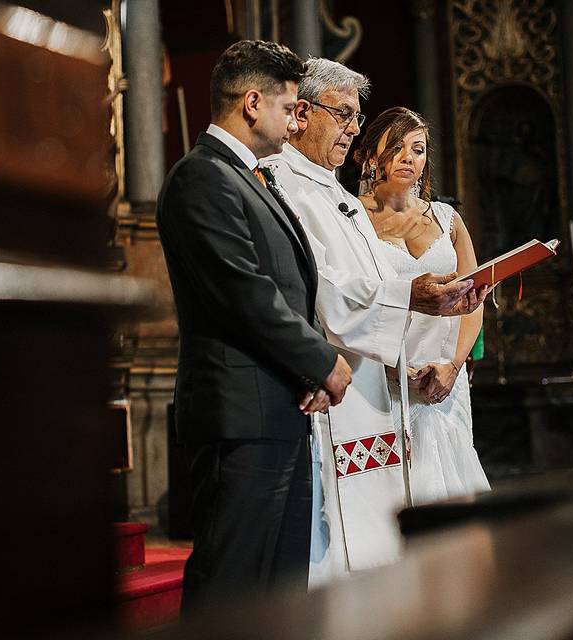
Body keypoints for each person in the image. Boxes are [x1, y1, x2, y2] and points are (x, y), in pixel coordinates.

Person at [264, 59, 487, 586]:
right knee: (353, 538)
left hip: (404, 382)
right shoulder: (285, 184)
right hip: (355, 381)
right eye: (343, 115)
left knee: (411, 527)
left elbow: (468, 296)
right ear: (300, 113)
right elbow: (326, 289)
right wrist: (409, 298)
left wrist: (450, 360)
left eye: (356, 116)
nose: (352, 127)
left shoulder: (334, 195)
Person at [156, 41, 353, 611]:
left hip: (278, 407)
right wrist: (321, 361)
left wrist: (306, 369)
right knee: (234, 587)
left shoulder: (251, 179)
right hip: (239, 415)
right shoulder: (202, 178)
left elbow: (290, 290)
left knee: (278, 592)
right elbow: (244, 294)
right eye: (291, 108)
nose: (297, 124)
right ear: (251, 103)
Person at [355, 106, 491, 506]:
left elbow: (474, 297)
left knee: (454, 484)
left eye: (417, 149)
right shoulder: (351, 219)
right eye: (396, 147)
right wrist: (391, 368)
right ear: (369, 155)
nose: (408, 158)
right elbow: (352, 298)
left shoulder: (448, 219)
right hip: (387, 377)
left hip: (446, 377)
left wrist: (453, 366)